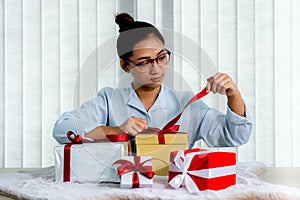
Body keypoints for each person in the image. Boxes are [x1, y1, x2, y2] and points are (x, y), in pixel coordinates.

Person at [53, 13, 252, 148]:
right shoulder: (108, 99)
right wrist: (116, 130)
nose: (156, 69)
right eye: (144, 62)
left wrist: (233, 95)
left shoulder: (188, 104)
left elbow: (235, 136)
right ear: (125, 66)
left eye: (161, 57)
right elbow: (62, 128)